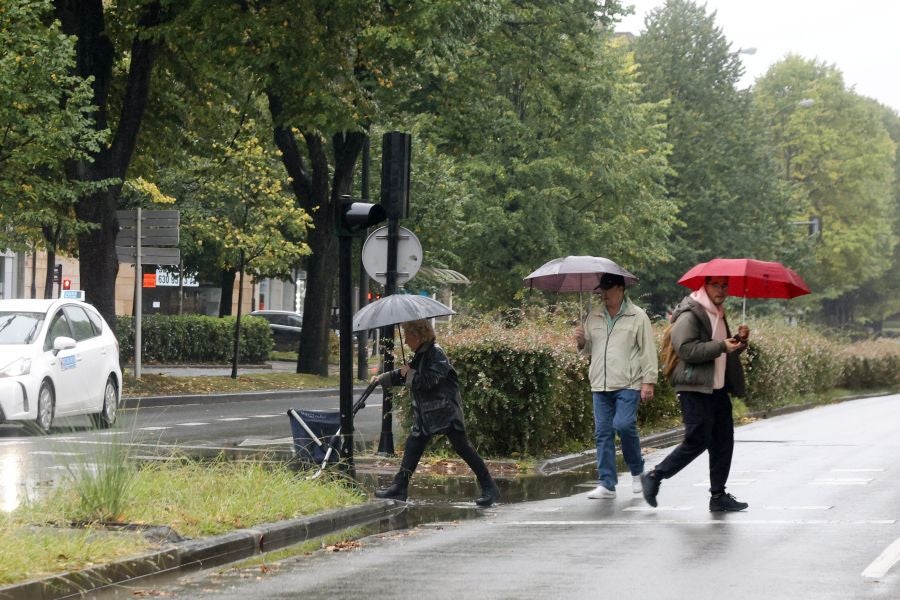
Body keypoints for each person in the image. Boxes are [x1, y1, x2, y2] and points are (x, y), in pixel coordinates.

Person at [640, 275, 750, 512]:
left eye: (724, 285)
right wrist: (721, 346)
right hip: (694, 387)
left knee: (723, 442)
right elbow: (686, 349)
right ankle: (655, 475)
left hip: (716, 388)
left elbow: (721, 351)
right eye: (716, 285)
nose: (721, 290)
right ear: (705, 286)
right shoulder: (691, 313)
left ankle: (718, 496)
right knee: (697, 440)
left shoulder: (718, 313)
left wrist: (738, 343)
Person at [372, 319, 500, 507]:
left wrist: (409, 375)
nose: (406, 341)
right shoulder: (421, 354)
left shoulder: (435, 353)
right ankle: (399, 487)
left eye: (408, 336)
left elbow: (429, 380)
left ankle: (490, 486)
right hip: (427, 415)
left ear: (417, 336)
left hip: (445, 413)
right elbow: (408, 374)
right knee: (413, 447)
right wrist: (383, 379)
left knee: (463, 447)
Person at [574, 272, 657, 499]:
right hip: (599, 384)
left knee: (624, 425)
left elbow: (647, 350)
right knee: (603, 433)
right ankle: (607, 484)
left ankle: (638, 471)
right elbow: (588, 350)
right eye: (601, 289)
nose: (603, 294)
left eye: (608, 289)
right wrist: (581, 341)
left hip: (628, 383)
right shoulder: (594, 316)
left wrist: (648, 381)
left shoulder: (637, 316)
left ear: (620, 289)